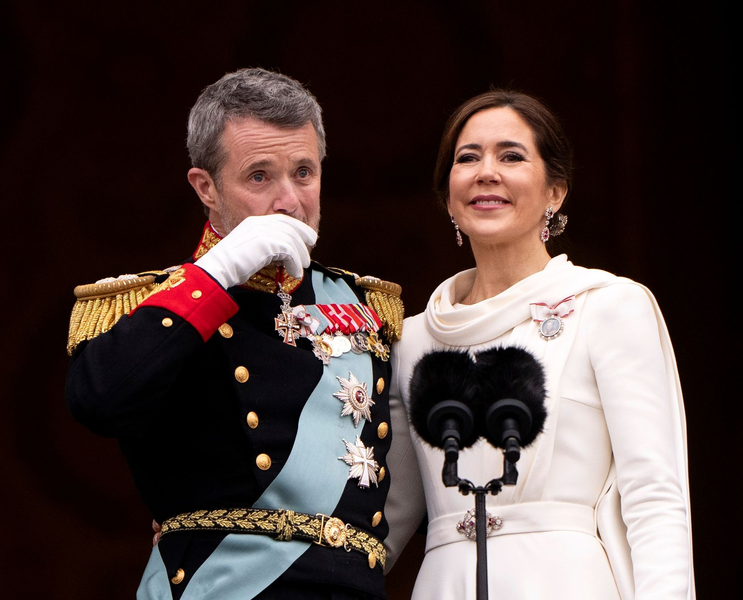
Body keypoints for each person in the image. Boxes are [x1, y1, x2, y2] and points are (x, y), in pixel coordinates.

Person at [65, 68, 406, 600]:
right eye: (259, 177)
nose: (289, 200)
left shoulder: (367, 305)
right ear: (206, 187)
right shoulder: (156, 305)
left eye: (304, 172)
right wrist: (214, 275)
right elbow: (98, 399)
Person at [383, 90, 694, 599]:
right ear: (448, 195)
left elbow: (655, 497)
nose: (486, 172)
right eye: (468, 158)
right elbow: (388, 517)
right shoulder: (413, 338)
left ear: (556, 192)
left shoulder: (609, 306)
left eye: (511, 156)